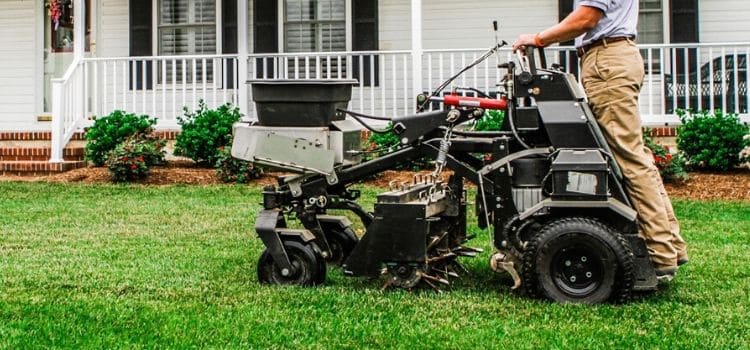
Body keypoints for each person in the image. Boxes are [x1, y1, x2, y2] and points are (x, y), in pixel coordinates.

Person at [512, 0, 688, 282]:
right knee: (635, 155)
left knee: (628, 158)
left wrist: (536, 39)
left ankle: (660, 254)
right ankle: (670, 246)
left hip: (607, 61)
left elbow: (586, 19)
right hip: (608, 59)